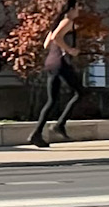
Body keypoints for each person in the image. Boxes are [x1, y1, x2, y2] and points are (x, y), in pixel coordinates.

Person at [28, 11, 83, 148]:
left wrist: (61, 47)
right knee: (80, 92)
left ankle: (37, 134)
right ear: (71, 9)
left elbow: (46, 44)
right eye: (77, 7)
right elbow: (57, 37)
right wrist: (69, 50)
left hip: (51, 63)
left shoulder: (56, 25)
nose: (79, 10)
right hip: (61, 64)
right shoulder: (67, 22)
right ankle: (60, 124)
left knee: (52, 101)